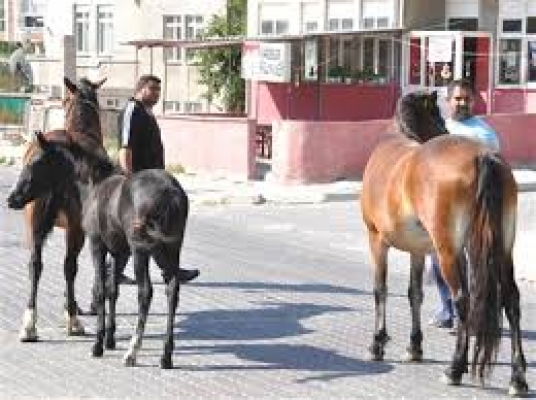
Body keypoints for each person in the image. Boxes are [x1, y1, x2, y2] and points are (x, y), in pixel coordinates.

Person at [429, 79, 501, 329]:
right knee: (439, 261)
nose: (462, 103)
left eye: (466, 99)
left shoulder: (484, 134)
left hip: (472, 211)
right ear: (448, 102)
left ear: (474, 101)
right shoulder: (438, 130)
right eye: (457, 98)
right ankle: (448, 309)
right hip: (440, 211)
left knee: (473, 264)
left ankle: (472, 314)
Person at [115, 74, 199, 285]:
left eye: (158, 91)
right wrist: (130, 182)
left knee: (155, 229)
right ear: (140, 89)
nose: (156, 94)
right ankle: (168, 270)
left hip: (153, 184)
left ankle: (169, 270)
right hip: (139, 186)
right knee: (139, 231)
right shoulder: (132, 110)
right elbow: (125, 148)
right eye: (152, 89)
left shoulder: (146, 112)